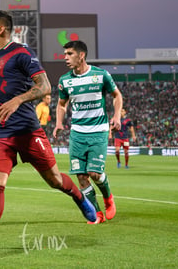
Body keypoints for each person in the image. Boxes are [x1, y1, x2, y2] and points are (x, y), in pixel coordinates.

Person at [0, 10, 97, 261]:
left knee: (54, 180)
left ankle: (78, 196)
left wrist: (17, 100)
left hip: (28, 132)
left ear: (1, 29)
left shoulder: (22, 53)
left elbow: (45, 86)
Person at [53, 40, 122, 224]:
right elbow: (61, 104)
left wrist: (116, 116)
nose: (65, 58)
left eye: (69, 54)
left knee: (94, 173)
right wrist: (59, 122)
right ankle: (96, 213)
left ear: (81, 55)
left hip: (98, 131)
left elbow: (117, 95)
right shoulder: (65, 80)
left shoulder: (100, 75)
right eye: (65, 54)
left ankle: (108, 198)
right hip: (77, 133)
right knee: (81, 177)